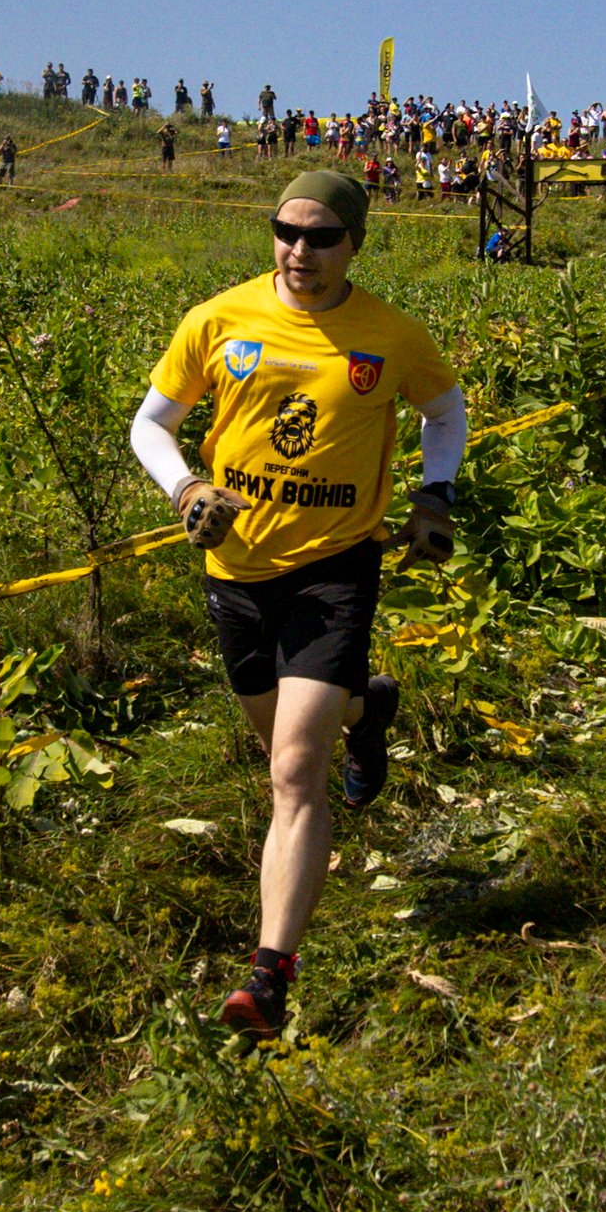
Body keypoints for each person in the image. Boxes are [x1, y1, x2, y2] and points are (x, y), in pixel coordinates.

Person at [127, 169, 466, 1043]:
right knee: (277, 736)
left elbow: (444, 406)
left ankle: (269, 976)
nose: (299, 251)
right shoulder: (219, 318)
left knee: (291, 774)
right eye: (286, 231)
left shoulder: (389, 334)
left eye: (321, 237)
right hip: (234, 568)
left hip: (336, 566)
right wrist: (185, 488)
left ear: (355, 243)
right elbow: (150, 425)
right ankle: (368, 706)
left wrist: (437, 493)